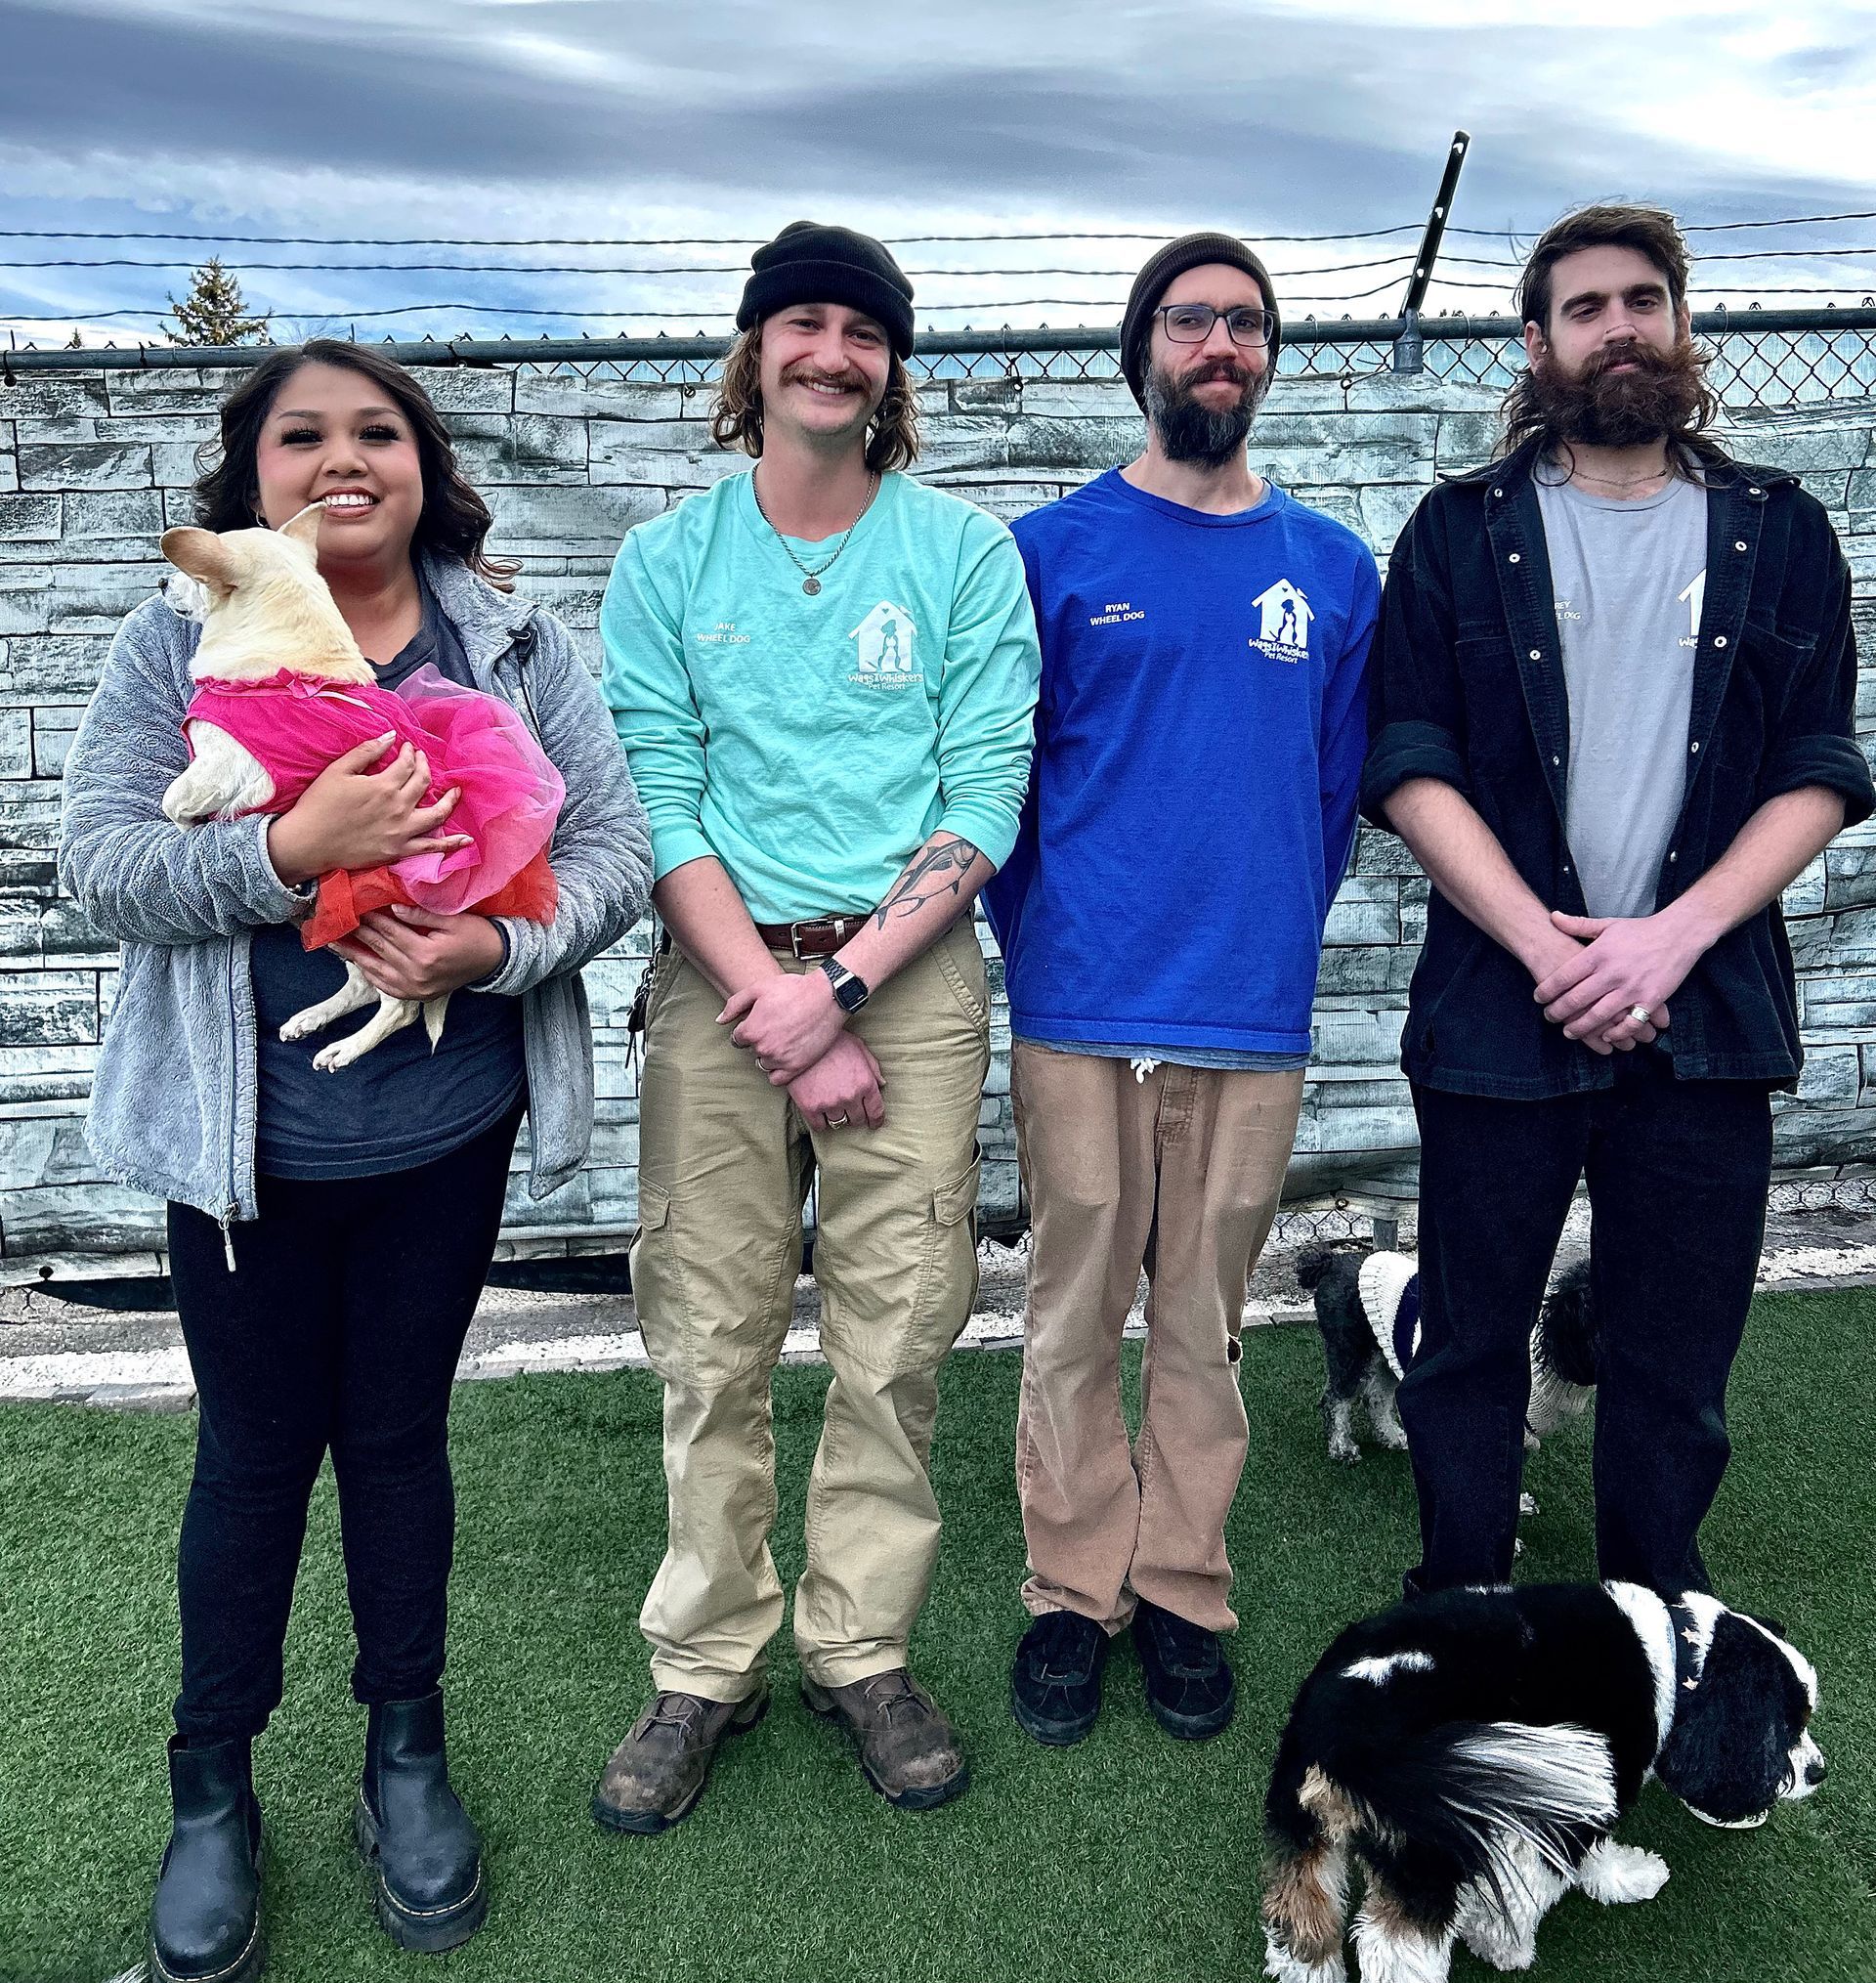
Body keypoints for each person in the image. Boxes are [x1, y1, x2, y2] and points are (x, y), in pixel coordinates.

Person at [60, 340, 652, 1982]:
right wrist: (279, 855)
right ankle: (210, 1789)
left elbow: (609, 850)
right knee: (253, 1455)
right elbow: (98, 863)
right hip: (239, 1155)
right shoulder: (171, 638)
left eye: (375, 431)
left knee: (396, 1441)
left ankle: (406, 1754)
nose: (341, 457)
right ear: (252, 473)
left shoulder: (509, 642)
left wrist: (492, 950)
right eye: (300, 433)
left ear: (422, 461)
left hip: (438, 1140)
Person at [1361, 204, 1873, 1598]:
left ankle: (1661, 1628)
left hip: (1699, 1016)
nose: (1621, 326)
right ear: (1536, 345)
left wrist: (1669, 937)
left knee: (1673, 1361)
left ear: (1683, 327)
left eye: (1645, 300)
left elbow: (1819, 766)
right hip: (1498, 1016)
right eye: (1585, 307)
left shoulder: (1781, 532)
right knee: (1470, 1343)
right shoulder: (1459, 534)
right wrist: (1546, 945)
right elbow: (1409, 759)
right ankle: (1463, 1611)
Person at [597, 222, 1039, 1826]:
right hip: (721, 982)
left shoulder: (960, 555)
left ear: (891, 367)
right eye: (804, 325)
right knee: (707, 1334)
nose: (833, 353)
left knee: (896, 1333)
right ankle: (703, 1660)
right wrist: (774, 999)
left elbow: (986, 784)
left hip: (904, 986)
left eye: (864, 330)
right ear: (755, 353)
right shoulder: (668, 560)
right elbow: (659, 792)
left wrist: (843, 986)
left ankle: (862, 1647)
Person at [982, 234, 1379, 1746]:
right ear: (1140, 349)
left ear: (1268, 360)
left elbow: (1332, 791)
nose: (1222, 342)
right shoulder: (1051, 552)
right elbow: (1002, 785)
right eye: (1192, 319)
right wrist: (1057, 939)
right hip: (1079, 1004)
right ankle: (1075, 1591)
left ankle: (1184, 1588)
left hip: (1248, 1014)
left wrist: (1262, 930)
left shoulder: (1332, 570)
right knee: (1075, 1311)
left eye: (1248, 324)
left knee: (1203, 1321)